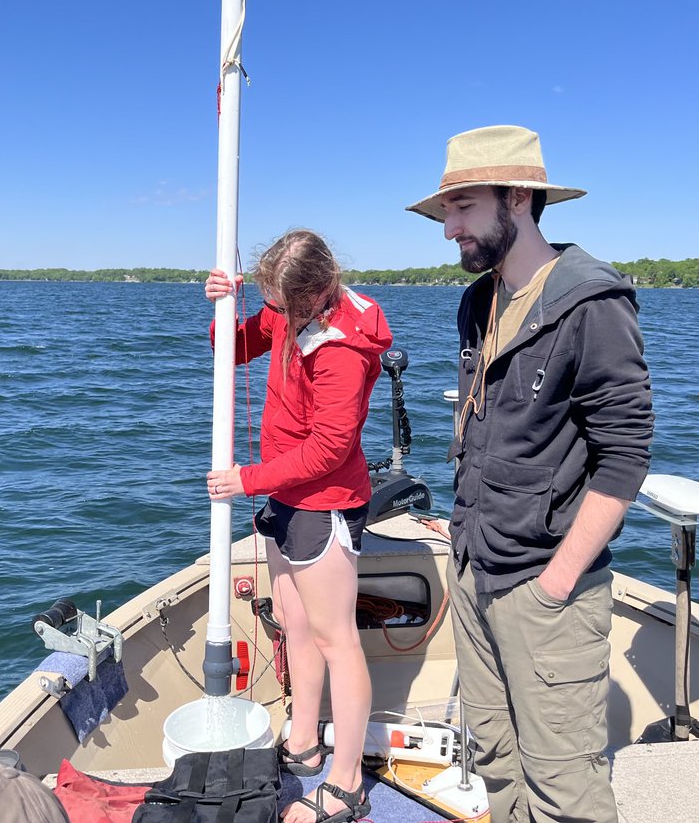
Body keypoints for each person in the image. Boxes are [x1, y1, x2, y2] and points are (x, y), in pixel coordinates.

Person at [405, 125, 654, 823]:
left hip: (547, 588)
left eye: (462, 206)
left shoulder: (592, 304)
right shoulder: (477, 302)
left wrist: (556, 582)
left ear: (517, 198)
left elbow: (626, 455)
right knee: (495, 761)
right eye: (446, 210)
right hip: (476, 568)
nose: (448, 227)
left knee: (564, 790)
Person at [204, 228, 391, 823]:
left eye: (280, 305)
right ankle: (304, 741)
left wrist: (249, 479)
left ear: (314, 295)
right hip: (286, 495)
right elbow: (230, 350)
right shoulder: (290, 311)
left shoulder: (340, 347)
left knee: (337, 639)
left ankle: (346, 782)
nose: (274, 315)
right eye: (270, 304)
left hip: (323, 501)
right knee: (293, 622)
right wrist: (222, 308)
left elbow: (331, 449)